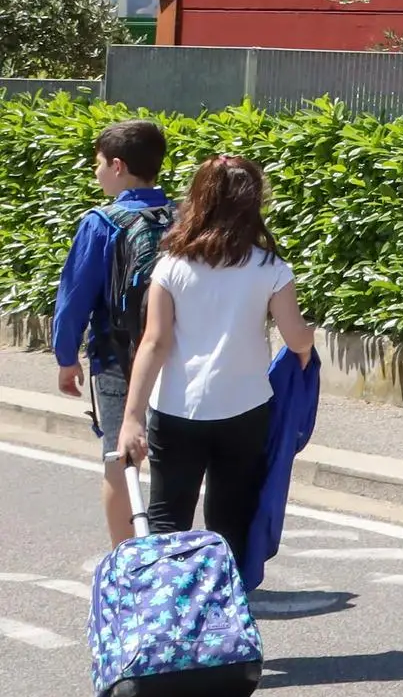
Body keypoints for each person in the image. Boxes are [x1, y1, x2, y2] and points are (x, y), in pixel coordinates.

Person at [115, 156, 318, 544]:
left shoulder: (172, 265)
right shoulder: (270, 268)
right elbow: (295, 337)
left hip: (176, 406)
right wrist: (308, 344)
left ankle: (166, 598)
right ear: (253, 201)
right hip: (244, 407)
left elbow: (154, 343)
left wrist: (132, 418)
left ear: (198, 199)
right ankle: (228, 595)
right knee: (232, 515)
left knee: (166, 515)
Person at [52, 119, 175, 548]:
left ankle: (127, 561)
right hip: (177, 358)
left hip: (117, 357)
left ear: (118, 166)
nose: (96, 173)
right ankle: (171, 552)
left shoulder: (102, 223)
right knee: (172, 462)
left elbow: (75, 297)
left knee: (120, 460)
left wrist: (66, 358)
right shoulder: (183, 217)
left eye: (98, 164)